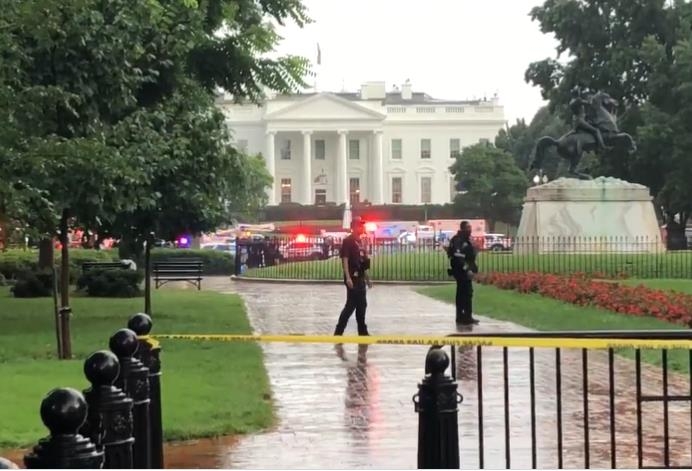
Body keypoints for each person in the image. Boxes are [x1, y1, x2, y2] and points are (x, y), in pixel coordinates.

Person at [334, 217, 372, 336]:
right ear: (354, 227)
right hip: (352, 278)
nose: (362, 228)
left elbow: (362, 263)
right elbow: (345, 259)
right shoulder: (348, 241)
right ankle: (338, 332)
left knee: (362, 305)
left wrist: (367, 278)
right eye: (360, 226)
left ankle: (363, 332)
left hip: (360, 278)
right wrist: (348, 277)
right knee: (350, 306)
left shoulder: (360, 241)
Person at [447, 221, 479, 325]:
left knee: (466, 293)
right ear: (463, 228)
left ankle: (466, 316)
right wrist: (467, 269)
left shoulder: (466, 239)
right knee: (464, 293)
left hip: (465, 270)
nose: (470, 230)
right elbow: (458, 257)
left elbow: (469, 255)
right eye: (468, 228)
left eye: (470, 228)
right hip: (460, 271)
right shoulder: (458, 240)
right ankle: (462, 317)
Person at [569, 85, 607, 152]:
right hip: (581, 121)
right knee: (596, 130)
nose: (579, 93)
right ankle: (602, 146)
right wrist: (593, 97)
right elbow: (589, 104)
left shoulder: (571, 101)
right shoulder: (578, 100)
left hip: (575, 121)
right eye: (579, 92)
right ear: (577, 93)